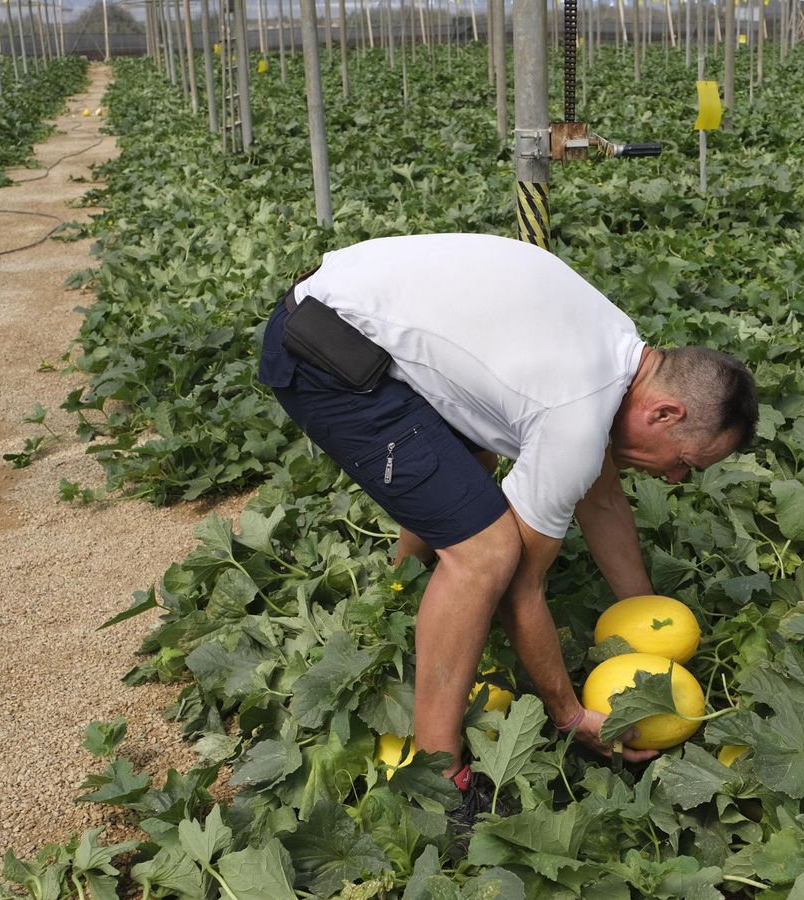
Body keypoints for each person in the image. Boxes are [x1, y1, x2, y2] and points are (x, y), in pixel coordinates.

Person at [256, 233, 757, 817]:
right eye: (685, 464)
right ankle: (441, 784)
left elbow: (602, 502)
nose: (674, 479)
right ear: (665, 412)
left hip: (351, 310)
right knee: (489, 554)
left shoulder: (617, 350)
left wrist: (642, 621)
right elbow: (523, 588)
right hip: (325, 354)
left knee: (471, 474)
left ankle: (400, 602)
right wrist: (568, 714)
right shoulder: (578, 415)